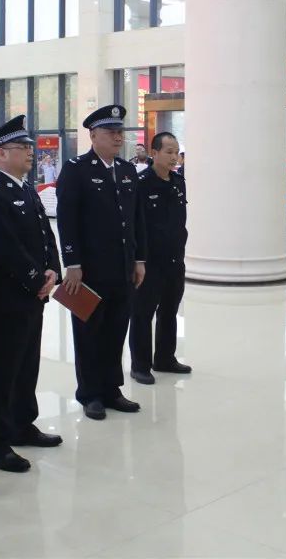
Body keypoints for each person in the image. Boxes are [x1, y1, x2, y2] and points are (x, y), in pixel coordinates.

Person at [0, 115, 63, 467]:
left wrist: (52, 268)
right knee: (0, 370)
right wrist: (35, 278)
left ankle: (22, 424)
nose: (30, 152)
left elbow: (45, 234)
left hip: (32, 297)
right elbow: (3, 247)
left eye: (30, 146)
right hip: (6, 299)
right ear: (0, 154)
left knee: (26, 365)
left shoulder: (26, 189)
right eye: (22, 147)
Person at [56, 104, 146, 420]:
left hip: (123, 268)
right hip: (89, 270)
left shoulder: (127, 170)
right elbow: (67, 219)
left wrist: (139, 258)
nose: (117, 137)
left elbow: (136, 219)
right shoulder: (76, 169)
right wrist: (72, 262)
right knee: (89, 332)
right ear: (93, 135)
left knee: (116, 330)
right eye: (110, 132)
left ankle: (111, 389)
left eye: (120, 132)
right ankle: (90, 393)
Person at [130, 131, 191, 384]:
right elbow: (135, 225)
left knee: (169, 311)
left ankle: (165, 358)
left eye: (176, 152)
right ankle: (140, 365)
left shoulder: (178, 182)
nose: (174, 157)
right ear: (154, 153)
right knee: (143, 313)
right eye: (169, 152)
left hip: (174, 260)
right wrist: (138, 260)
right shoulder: (141, 184)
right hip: (149, 263)